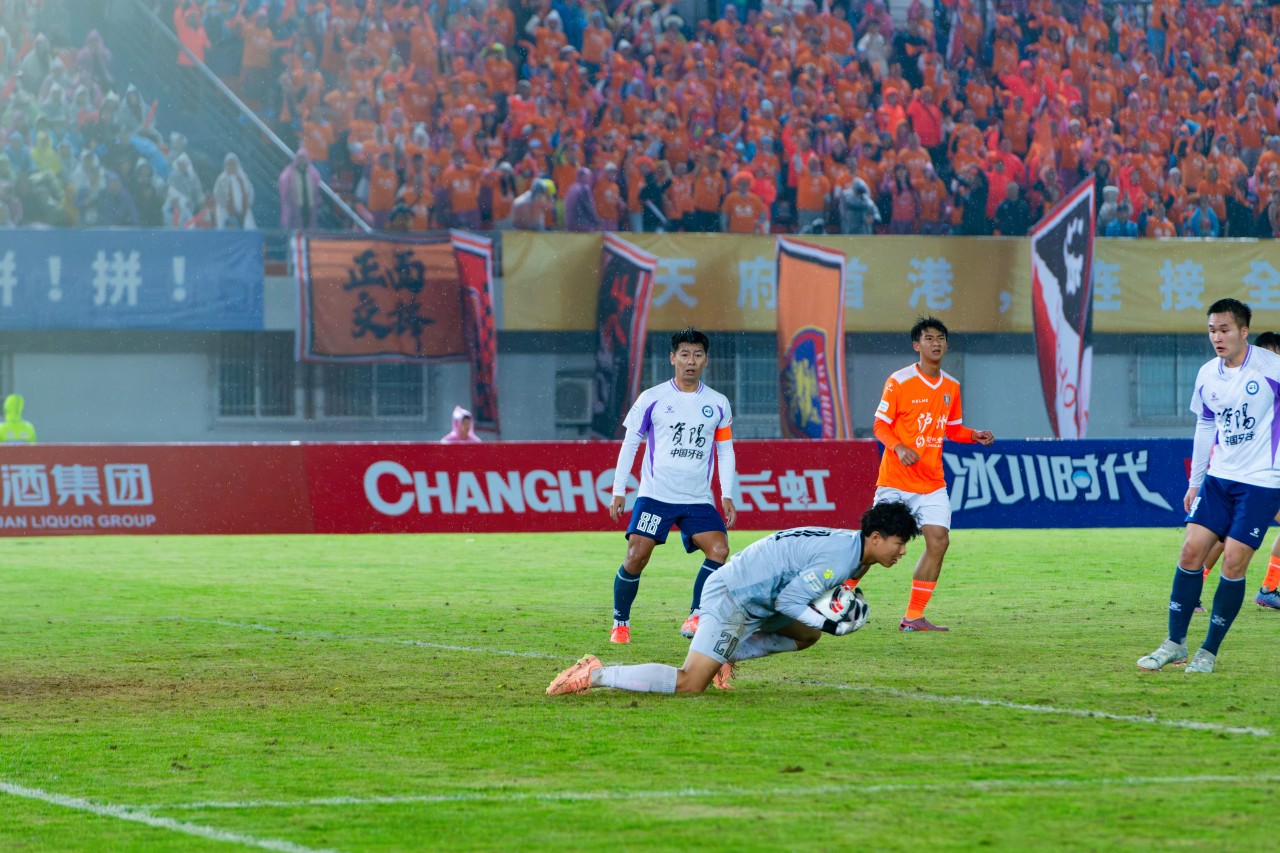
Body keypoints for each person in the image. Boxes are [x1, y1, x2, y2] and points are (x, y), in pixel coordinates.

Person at [547, 500, 921, 696]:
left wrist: (824, 616)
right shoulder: (839, 558)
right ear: (875, 538)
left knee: (807, 635)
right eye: (899, 543)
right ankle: (596, 674)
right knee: (690, 683)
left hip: (758, 595)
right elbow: (789, 602)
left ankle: (725, 655)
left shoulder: (851, 547)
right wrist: (831, 623)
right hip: (735, 597)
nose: (902, 551)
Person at [1138, 299, 1280, 674]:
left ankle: (1209, 651)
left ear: (1244, 332)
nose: (1217, 337)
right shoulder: (1206, 374)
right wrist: (1195, 481)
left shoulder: (1272, 368)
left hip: (1262, 482)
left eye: (1224, 330)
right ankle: (1175, 643)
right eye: (1212, 330)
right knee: (1190, 552)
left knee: (1233, 560)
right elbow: (1205, 426)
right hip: (1218, 479)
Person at [607, 328, 737, 644]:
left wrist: (727, 494)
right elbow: (630, 443)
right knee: (636, 557)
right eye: (685, 354)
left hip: (698, 499)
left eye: (697, 355)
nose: (691, 361)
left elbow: (725, 450)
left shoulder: (718, 403)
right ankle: (621, 622)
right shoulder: (651, 398)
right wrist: (619, 490)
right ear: (672, 358)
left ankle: (696, 615)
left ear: (706, 360)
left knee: (719, 550)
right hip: (656, 496)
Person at [872, 317, 995, 631]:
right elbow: (880, 425)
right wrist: (899, 447)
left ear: (946, 344)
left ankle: (913, 617)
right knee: (877, 546)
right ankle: (839, 594)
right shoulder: (899, 380)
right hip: (896, 481)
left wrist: (973, 435)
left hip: (931, 483)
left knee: (938, 542)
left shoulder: (951, 386)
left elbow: (952, 429)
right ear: (917, 345)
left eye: (940, 338)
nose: (935, 343)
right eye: (928, 338)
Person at [1197, 330, 1280, 613]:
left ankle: (1269, 588)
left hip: (1265, 476)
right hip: (1240, 474)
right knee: (1223, 537)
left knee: (1225, 536)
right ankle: (1267, 589)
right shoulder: (1245, 387)